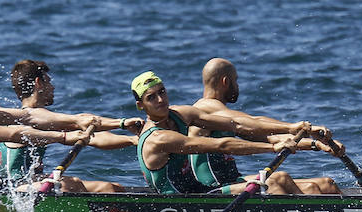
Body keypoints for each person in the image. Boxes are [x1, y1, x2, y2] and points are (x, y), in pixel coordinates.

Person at [132, 71, 331, 195]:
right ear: (141, 105)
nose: (160, 100)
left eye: (162, 92)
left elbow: (236, 123)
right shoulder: (158, 138)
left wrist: (291, 128)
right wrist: (273, 147)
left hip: (201, 192)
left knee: (284, 179)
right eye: (152, 97)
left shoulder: (181, 114)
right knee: (271, 185)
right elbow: (222, 145)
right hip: (181, 203)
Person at [0, 57, 106, 192]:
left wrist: (76, 121)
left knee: (85, 185)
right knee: (70, 185)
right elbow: (15, 134)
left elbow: (29, 116)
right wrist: (64, 137)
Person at [190, 58, 341, 194]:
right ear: (225, 82)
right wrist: (295, 126)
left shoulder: (221, 115)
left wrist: (317, 144)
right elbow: (253, 120)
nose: (237, 86)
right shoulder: (206, 107)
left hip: (232, 181)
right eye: (236, 81)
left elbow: (271, 138)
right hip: (211, 189)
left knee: (325, 184)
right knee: (276, 180)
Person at [0, 59, 139, 188]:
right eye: (48, 81)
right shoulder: (33, 117)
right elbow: (79, 121)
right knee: (73, 184)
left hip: (35, 183)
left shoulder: (40, 119)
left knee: (111, 187)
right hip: (18, 188)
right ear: (38, 83)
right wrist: (122, 123)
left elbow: (92, 137)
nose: (53, 87)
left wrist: (132, 140)